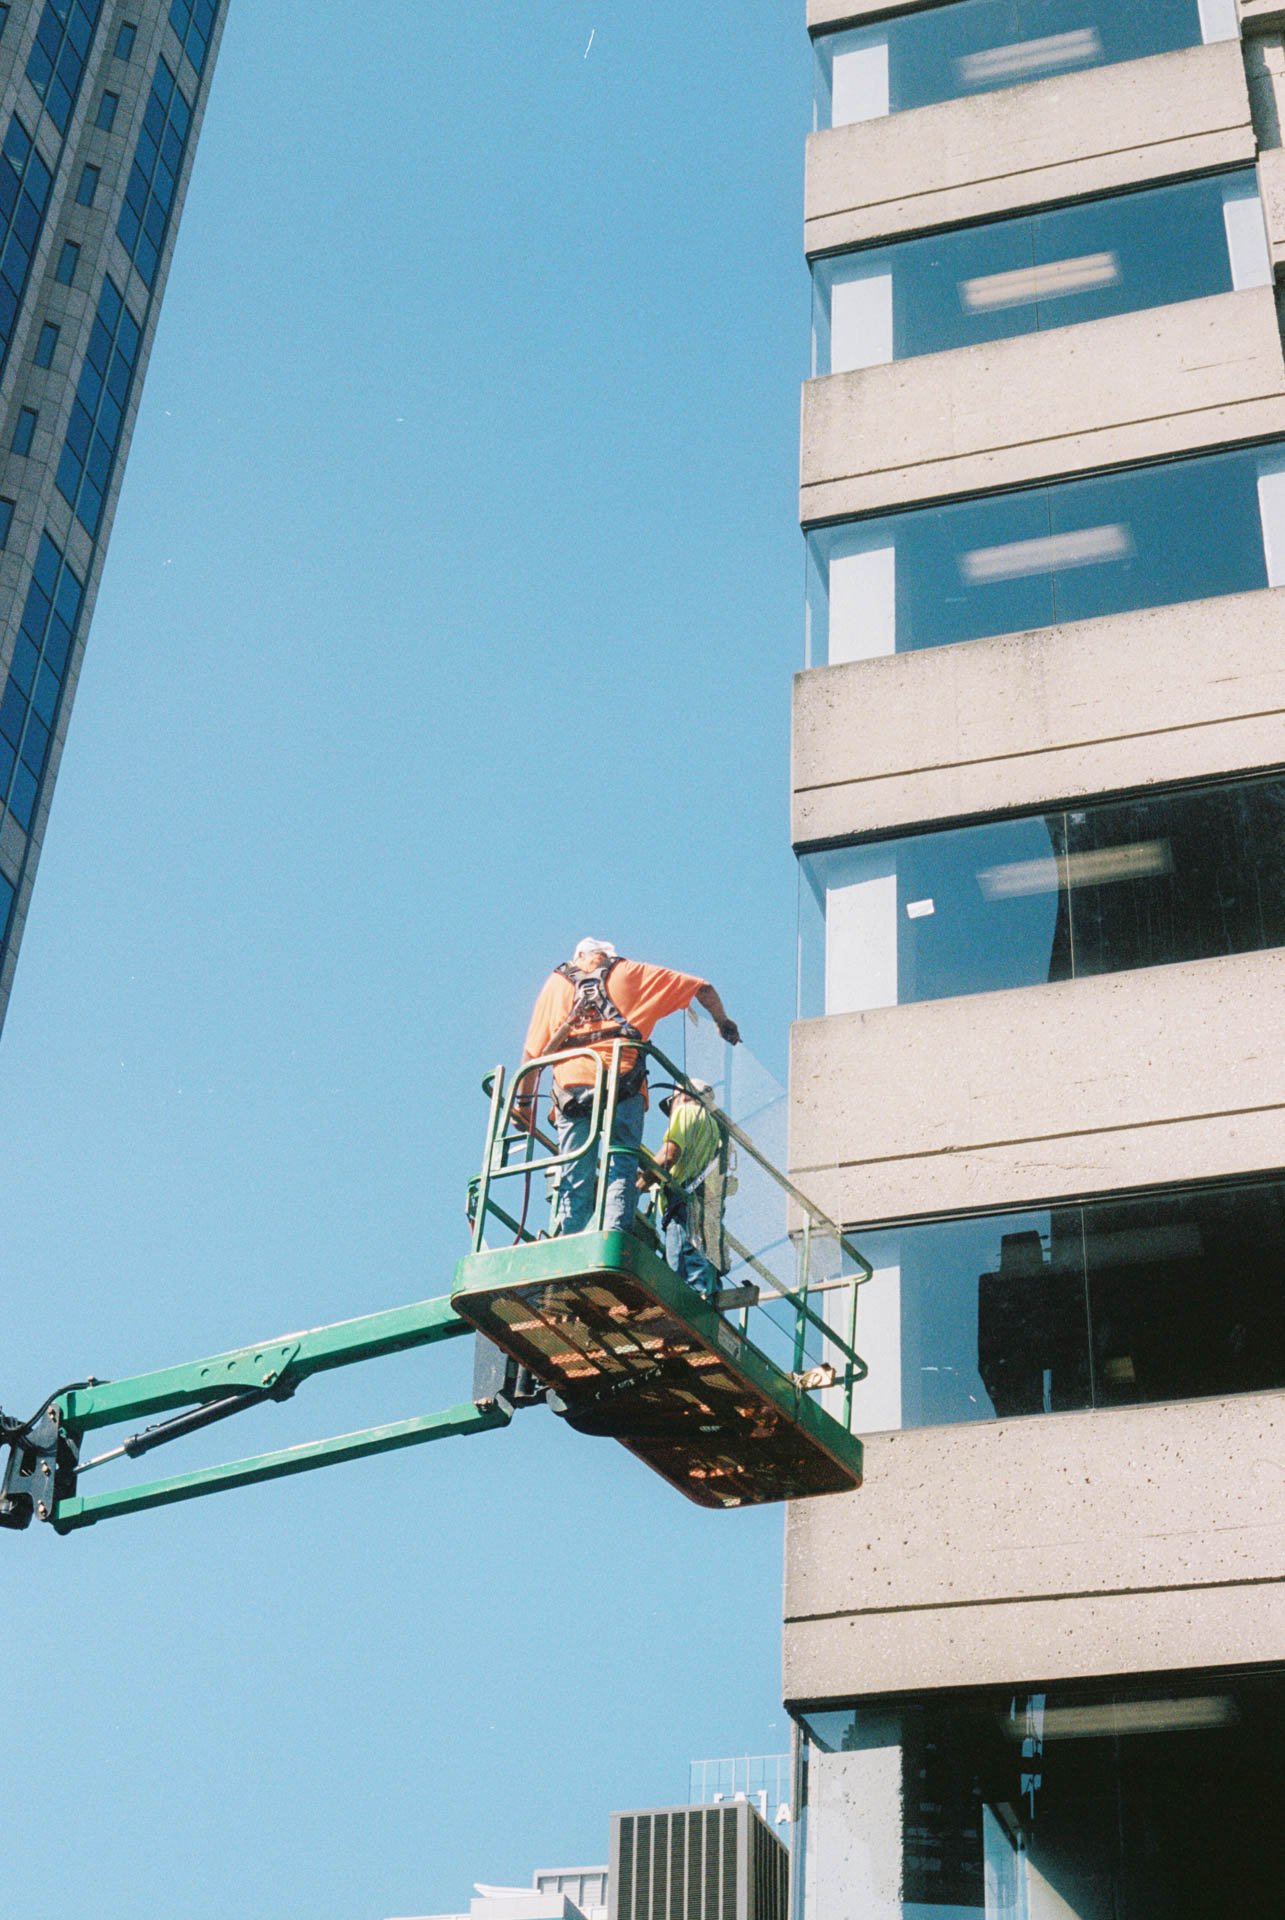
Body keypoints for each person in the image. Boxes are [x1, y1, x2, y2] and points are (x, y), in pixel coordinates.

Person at [516, 938, 740, 1238]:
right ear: (608, 956)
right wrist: (722, 1021)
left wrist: (523, 1107)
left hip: (571, 1088)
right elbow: (704, 988)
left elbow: (532, 1056)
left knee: (574, 1168)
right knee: (620, 1164)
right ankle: (614, 1234)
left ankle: (570, 1238)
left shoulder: (556, 984)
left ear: (579, 957)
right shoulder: (629, 972)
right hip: (620, 1084)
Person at [650, 1080, 728, 1298]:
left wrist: (641, 1182)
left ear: (683, 1096)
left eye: (672, 1102)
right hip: (704, 1207)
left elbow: (669, 1154)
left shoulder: (688, 1112)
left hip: (685, 1205)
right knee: (701, 1270)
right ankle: (707, 1303)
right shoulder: (714, 1129)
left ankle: (691, 1307)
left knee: (681, 1277)